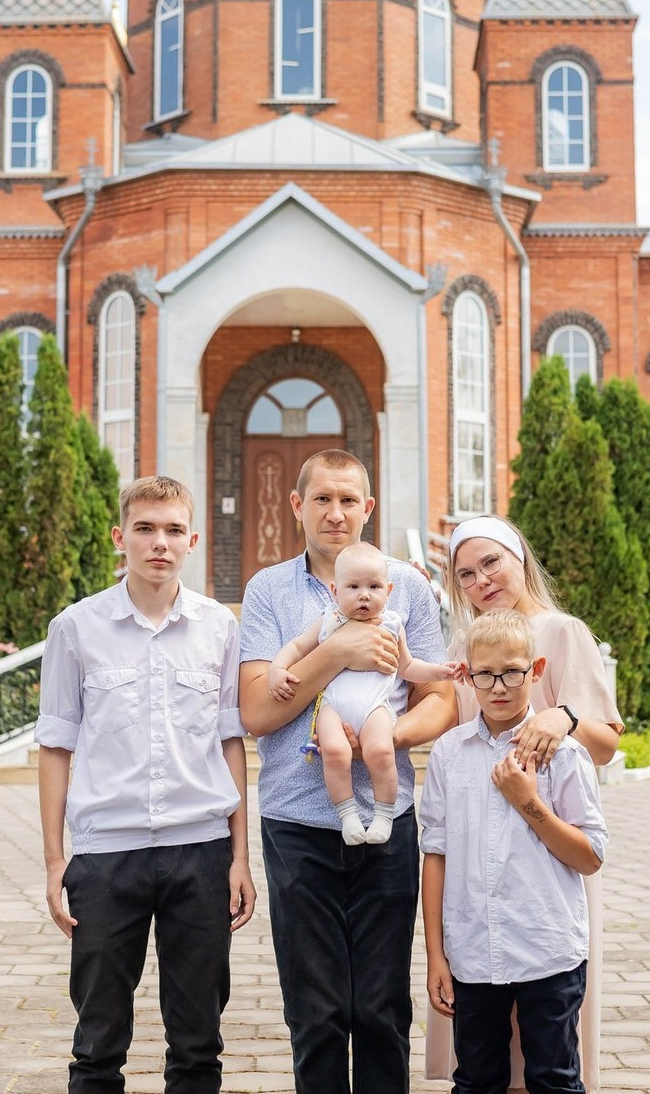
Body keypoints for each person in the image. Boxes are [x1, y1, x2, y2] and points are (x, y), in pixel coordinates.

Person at [239, 449, 455, 1094]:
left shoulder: (407, 587)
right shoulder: (269, 591)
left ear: (368, 508)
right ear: (296, 504)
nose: (336, 514)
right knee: (317, 1009)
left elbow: (438, 699)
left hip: (389, 822)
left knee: (382, 1006)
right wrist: (335, 651)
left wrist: (378, 740)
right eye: (322, 499)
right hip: (296, 822)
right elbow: (256, 710)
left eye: (348, 501)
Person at [36, 475, 256, 1094]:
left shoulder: (219, 628)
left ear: (192, 540)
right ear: (120, 537)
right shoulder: (75, 630)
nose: (159, 542)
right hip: (107, 855)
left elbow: (230, 743)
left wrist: (240, 857)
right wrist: (56, 861)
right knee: (98, 1042)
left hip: (201, 850)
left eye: (172, 531)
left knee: (198, 1044)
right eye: (144, 529)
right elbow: (55, 749)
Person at [424, 513, 624, 1094]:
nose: (482, 579)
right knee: (483, 1052)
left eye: (491, 562)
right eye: (466, 574)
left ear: (520, 560)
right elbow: (461, 726)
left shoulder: (562, 631)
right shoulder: (464, 644)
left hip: (545, 855)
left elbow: (607, 742)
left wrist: (564, 717)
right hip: (478, 858)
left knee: (547, 1037)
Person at [268, 540, 456, 846]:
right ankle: (348, 813)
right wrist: (278, 669)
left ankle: (383, 813)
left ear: (389, 591)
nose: (364, 595)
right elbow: (297, 647)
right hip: (333, 706)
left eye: (374, 586)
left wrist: (439, 672)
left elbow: (407, 667)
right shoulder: (329, 620)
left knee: (381, 750)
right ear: (335, 591)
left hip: (375, 706)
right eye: (353, 587)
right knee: (334, 751)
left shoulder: (393, 624)